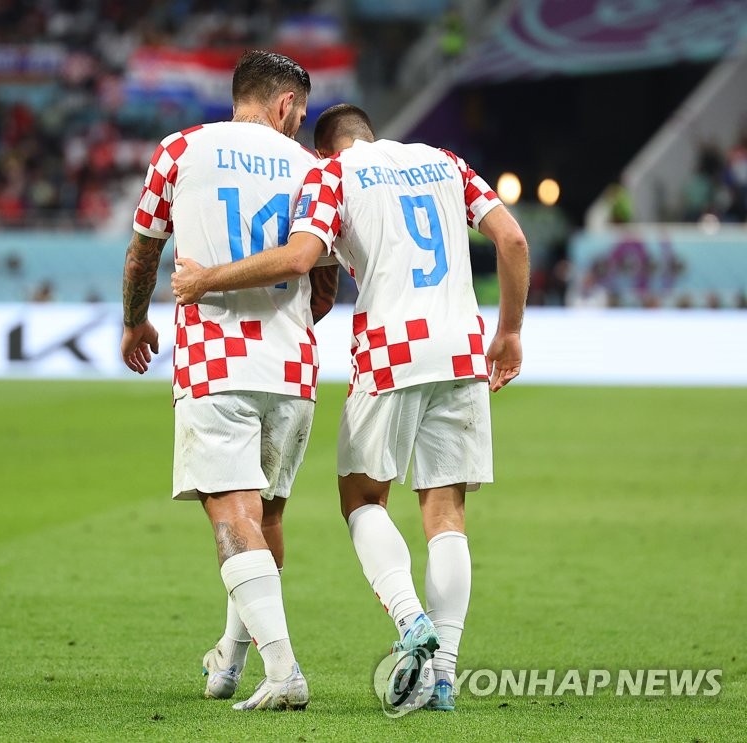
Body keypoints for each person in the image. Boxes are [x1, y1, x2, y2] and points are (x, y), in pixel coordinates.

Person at [171, 103, 530, 712]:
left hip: (392, 351)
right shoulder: (446, 163)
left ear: (330, 148)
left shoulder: (334, 175)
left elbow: (300, 259)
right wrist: (511, 331)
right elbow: (513, 239)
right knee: (446, 512)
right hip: (464, 351)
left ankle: (410, 620)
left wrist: (204, 281)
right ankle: (442, 673)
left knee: (363, 501)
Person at [121, 50, 338, 711]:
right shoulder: (313, 170)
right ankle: (230, 659)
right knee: (267, 514)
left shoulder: (181, 149)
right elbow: (323, 282)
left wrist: (135, 322)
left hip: (216, 362)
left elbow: (143, 251)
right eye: (299, 112)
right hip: (293, 365)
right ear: (285, 106)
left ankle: (284, 669)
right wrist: (292, 312)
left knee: (230, 513)